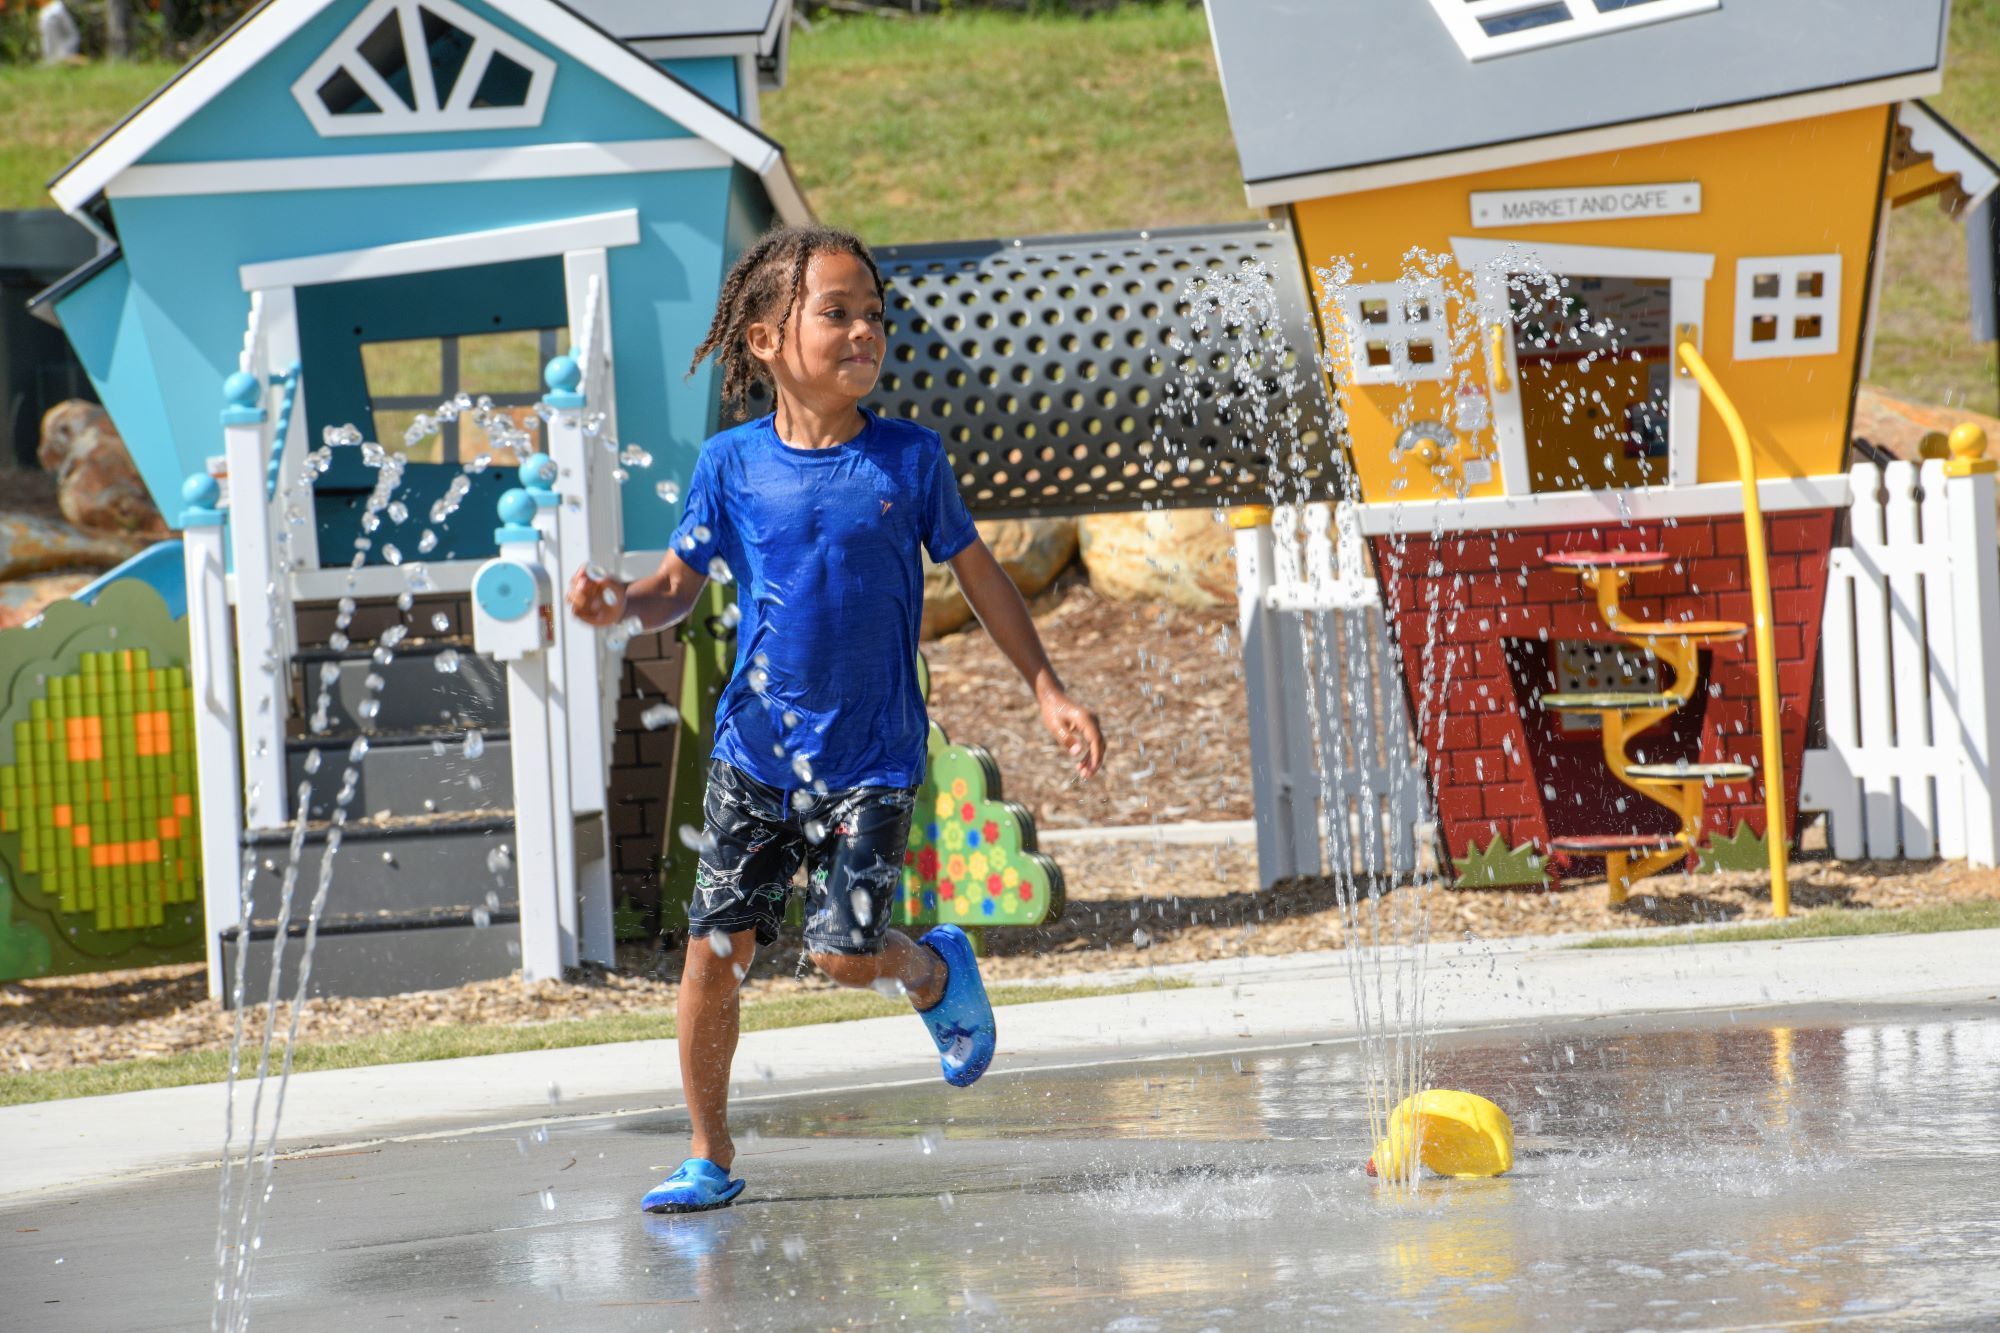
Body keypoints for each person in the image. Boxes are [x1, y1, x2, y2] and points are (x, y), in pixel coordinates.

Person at [568, 224, 1106, 1215]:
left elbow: (980, 577)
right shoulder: (730, 464)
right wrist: (621, 605)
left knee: (840, 952)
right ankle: (708, 1152)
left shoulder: (907, 460)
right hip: (755, 756)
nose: (864, 329)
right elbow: (674, 588)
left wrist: (1045, 685)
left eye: (873, 314)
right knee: (712, 961)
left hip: (871, 758)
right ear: (768, 340)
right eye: (836, 312)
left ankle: (928, 965)